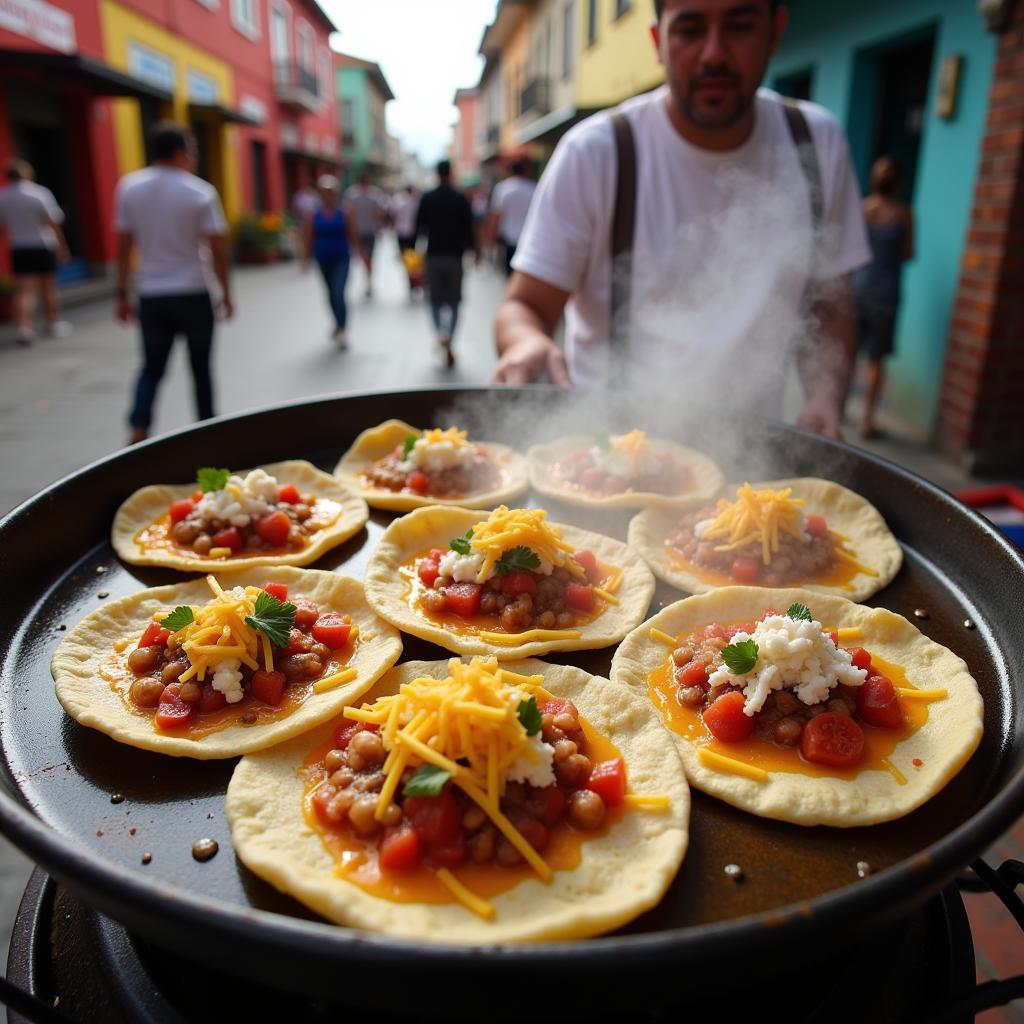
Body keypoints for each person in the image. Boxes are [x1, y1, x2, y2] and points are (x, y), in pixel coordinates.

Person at [493, 0, 870, 439]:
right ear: (658, 41)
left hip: (752, 459)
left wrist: (825, 399)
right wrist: (526, 341)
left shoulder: (816, 142)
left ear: (775, 32)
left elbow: (831, 306)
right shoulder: (596, 152)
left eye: (740, 26)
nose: (714, 53)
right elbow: (524, 305)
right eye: (690, 30)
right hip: (610, 460)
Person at [114, 121, 232, 445]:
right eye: (192, 152)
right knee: (200, 367)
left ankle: (139, 425)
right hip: (193, 290)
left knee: (151, 367)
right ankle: (207, 429)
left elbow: (124, 247)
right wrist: (227, 293)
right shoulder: (199, 191)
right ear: (181, 152)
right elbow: (217, 250)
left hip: (151, 293)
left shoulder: (129, 187)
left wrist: (121, 294)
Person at [853, 155, 914, 439]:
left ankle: (837, 411)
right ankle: (867, 420)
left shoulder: (863, 210)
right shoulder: (904, 215)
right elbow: (909, 253)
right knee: (876, 358)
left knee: (850, 350)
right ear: (898, 183)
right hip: (887, 291)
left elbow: (851, 250)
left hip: (860, 286)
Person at [0, 159, 71, 345]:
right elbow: (53, 222)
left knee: (24, 290)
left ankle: (24, 328)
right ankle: (52, 323)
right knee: (48, 287)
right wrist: (63, 247)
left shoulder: (3, 196)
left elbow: (1, 228)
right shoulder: (39, 193)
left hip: (19, 247)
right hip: (42, 244)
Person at [415, 159, 477, 367]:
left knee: (434, 301)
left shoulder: (428, 197)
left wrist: (412, 252)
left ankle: (440, 332)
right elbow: (470, 228)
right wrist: (476, 251)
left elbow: (419, 227)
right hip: (455, 256)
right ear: (451, 173)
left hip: (433, 255)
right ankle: (449, 337)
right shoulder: (461, 198)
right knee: (454, 302)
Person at [306, 174, 361, 348]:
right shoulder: (314, 214)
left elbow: (352, 233)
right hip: (323, 258)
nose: (327, 195)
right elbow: (309, 236)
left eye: (330, 192)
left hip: (341, 257)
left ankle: (342, 328)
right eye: (324, 192)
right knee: (330, 293)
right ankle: (337, 322)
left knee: (338, 292)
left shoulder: (344, 212)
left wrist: (358, 251)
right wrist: (305, 256)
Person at [488, 159, 536, 276]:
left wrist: (492, 238)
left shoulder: (503, 189)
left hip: (508, 241)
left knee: (509, 275)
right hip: (528, 240)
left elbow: (496, 216)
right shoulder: (533, 188)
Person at [344, 172, 386, 297]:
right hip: (358, 232)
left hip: (370, 231)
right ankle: (368, 278)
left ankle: (368, 280)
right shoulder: (352, 194)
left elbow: (379, 212)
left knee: (369, 257)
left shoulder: (374, 194)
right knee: (364, 257)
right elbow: (348, 214)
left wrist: (378, 226)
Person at [292, 183, 320, 266]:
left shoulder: (316, 197)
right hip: (303, 222)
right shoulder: (300, 196)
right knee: (302, 242)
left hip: (314, 222)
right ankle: (304, 260)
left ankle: (310, 257)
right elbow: (297, 210)